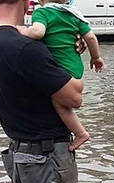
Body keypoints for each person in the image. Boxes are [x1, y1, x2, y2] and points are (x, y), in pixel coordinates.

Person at [0, 0, 86, 183]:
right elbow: (75, 98)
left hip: (22, 157)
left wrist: (62, 45)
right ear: (27, 2)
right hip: (46, 161)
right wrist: (72, 58)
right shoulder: (25, 47)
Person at [17, 0, 104, 151]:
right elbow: (90, 38)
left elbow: (37, 32)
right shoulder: (73, 15)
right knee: (62, 102)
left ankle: (80, 133)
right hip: (75, 67)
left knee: (59, 104)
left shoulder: (42, 13)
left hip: (61, 70)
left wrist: (20, 30)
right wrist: (96, 58)